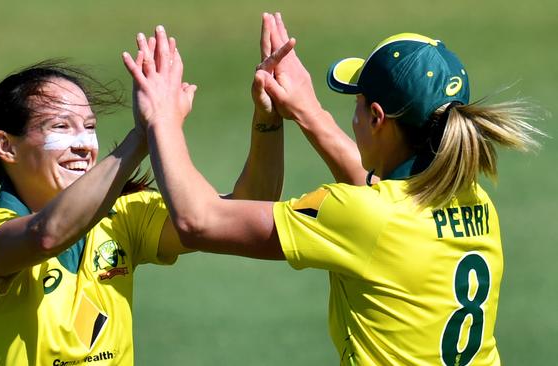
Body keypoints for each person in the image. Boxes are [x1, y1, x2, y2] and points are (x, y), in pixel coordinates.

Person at [123, 13, 543, 365]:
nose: (353, 117)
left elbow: (198, 220)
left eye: (356, 103)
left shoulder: (361, 215)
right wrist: (304, 109)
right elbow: (382, 204)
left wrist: (162, 118)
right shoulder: (474, 201)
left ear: (377, 117)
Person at [0, 24, 286, 365]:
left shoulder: (122, 217)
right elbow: (46, 235)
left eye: (89, 127)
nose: (83, 145)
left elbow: (243, 214)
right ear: (7, 146)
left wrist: (267, 118)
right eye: (61, 127)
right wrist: (144, 133)